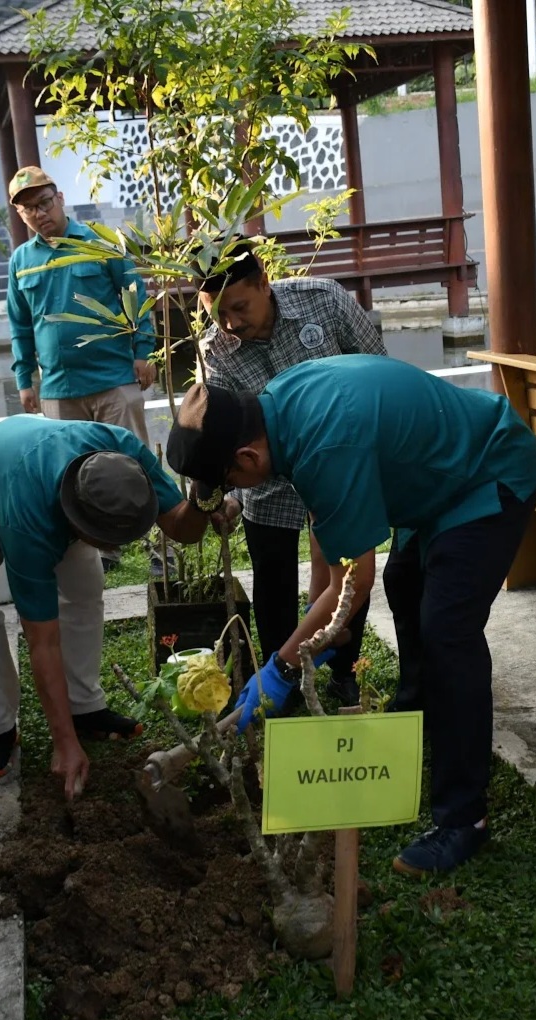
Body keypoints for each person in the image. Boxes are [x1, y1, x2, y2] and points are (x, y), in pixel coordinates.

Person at [165, 355, 536, 877]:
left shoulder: (324, 443)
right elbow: (329, 532)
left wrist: (280, 666)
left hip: (487, 472)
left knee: (447, 633)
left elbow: (351, 585)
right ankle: (421, 716)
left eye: (230, 483)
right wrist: (311, 630)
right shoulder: (280, 403)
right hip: (438, 481)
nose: (235, 495)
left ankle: (464, 820)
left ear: (247, 458)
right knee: (404, 581)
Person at [0, 418, 212, 787]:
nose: (112, 546)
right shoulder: (29, 520)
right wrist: (63, 744)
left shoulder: (124, 454)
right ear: (73, 515)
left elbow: (182, 528)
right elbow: (42, 641)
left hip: (22, 475)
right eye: (102, 536)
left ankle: (84, 707)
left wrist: (207, 498)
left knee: (86, 585)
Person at [196, 240, 382, 704]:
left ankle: (343, 668)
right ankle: (286, 673)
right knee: (273, 578)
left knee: (347, 571)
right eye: (217, 314)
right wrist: (227, 494)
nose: (231, 324)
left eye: (239, 307)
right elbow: (226, 434)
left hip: (341, 466)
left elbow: (375, 369)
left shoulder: (325, 300)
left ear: (264, 282)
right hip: (270, 481)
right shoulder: (216, 348)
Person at [5, 166, 162, 574]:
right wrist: (25, 380)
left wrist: (144, 351)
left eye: (43, 203)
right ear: (21, 217)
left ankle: (160, 544)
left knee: (134, 460)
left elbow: (134, 294)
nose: (38, 214)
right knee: (72, 473)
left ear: (59, 198)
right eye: (27, 209)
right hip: (58, 388)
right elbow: (20, 325)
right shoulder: (21, 262)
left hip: (114, 379)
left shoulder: (100, 242)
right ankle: (101, 546)